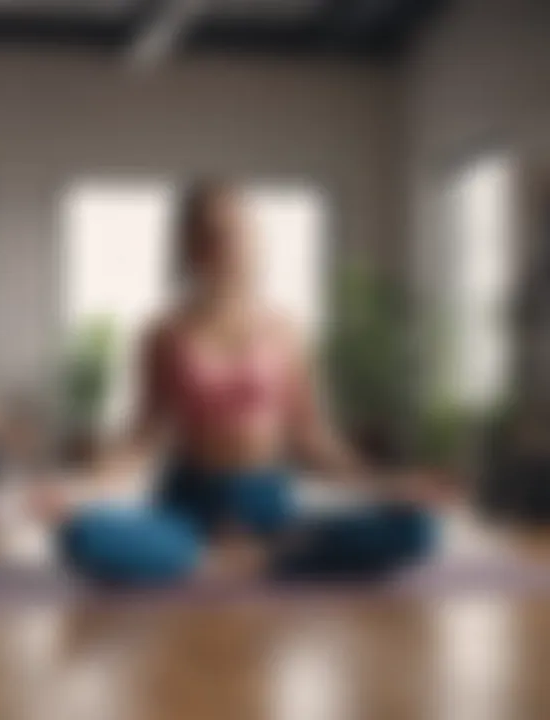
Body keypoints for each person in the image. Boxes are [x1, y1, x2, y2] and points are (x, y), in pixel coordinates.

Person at [39, 181, 445, 586]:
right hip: (188, 507)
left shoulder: (286, 329)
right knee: (81, 536)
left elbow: (314, 439)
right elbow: (140, 441)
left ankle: (257, 556)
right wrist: (79, 491)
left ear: (257, 240)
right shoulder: (162, 331)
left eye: (240, 231)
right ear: (189, 247)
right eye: (213, 234)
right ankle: (225, 558)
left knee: (418, 531)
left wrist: (388, 484)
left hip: (268, 507)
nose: (230, 245)